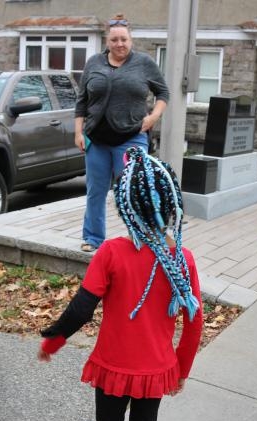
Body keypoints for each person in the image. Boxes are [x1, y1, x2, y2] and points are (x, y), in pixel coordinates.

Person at [38, 147, 202, 421]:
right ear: (169, 203)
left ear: (125, 204)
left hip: (113, 367)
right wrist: (181, 370)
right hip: (155, 370)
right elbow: (194, 322)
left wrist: (53, 341)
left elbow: (82, 308)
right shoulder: (182, 259)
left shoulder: (112, 252)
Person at [74, 13, 169, 253]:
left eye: (124, 39)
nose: (120, 44)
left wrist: (154, 116)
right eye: (115, 39)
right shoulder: (94, 63)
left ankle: (137, 235)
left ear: (131, 40)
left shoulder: (144, 63)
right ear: (107, 40)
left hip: (131, 136)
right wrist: (78, 132)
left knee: (131, 189)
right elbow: (82, 101)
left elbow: (163, 93)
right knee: (95, 190)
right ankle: (93, 238)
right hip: (96, 138)